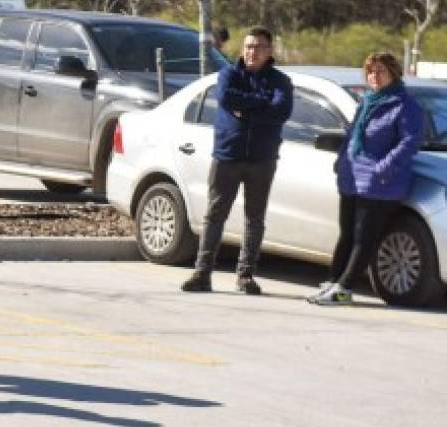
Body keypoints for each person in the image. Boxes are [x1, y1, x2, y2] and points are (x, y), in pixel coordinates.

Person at [181, 26, 293, 295]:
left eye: (259, 47)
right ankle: (202, 273)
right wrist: (260, 101)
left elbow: (280, 111)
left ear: (270, 51)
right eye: (248, 46)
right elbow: (226, 97)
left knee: (254, 219)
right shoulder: (228, 73)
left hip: (261, 159)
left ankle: (245, 276)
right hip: (227, 155)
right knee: (215, 215)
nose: (252, 52)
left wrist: (247, 108)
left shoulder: (280, 81)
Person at [309, 53, 423, 306]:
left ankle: (344, 288)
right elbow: (352, 137)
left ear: (393, 73)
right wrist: (341, 162)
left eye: (380, 70)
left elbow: (410, 141)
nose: (374, 76)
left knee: (364, 238)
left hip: (379, 184)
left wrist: (383, 167)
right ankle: (333, 281)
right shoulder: (367, 102)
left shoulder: (404, 105)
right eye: (370, 71)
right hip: (352, 179)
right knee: (347, 234)